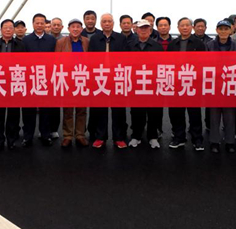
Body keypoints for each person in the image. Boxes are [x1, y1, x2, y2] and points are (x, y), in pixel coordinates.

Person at [88, 13, 129, 149]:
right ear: (100, 24)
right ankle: (100, 137)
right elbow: (90, 59)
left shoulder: (121, 38)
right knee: (100, 109)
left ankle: (119, 138)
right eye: (104, 21)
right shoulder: (94, 39)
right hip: (100, 78)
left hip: (116, 77)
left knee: (118, 110)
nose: (107, 23)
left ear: (113, 23)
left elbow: (125, 58)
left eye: (109, 21)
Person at [167, 17, 207, 151]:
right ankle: (179, 137)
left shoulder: (199, 44)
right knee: (176, 112)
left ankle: (197, 139)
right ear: (178, 28)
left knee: (194, 112)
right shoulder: (173, 44)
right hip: (176, 82)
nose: (185, 28)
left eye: (187, 25)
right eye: (182, 25)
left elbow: (203, 63)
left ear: (192, 27)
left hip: (192, 82)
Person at [0, 19, 26, 151]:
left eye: (11, 27)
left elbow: (26, 63)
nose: (8, 29)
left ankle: (11, 140)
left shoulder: (20, 45)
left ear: (14, 30)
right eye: (5, 27)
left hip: (15, 82)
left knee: (13, 114)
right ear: (1, 30)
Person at [206, 20, 236, 153]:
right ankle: (214, 142)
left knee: (230, 116)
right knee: (214, 116)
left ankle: (230, 142)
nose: (223, 31)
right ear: (216, 30)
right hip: (214, 84)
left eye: (226, 29)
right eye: (220, 29)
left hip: (230, 84)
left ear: (231, 30)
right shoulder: (209, 45)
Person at [23, 13, 58, 146]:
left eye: (42, 23)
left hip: (46, 78)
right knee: (29, 110)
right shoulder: (26, 40)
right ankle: (28, 136)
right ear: (33, 24)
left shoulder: (51, 40)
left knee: (45, 109)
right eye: (37, 23)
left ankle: (45, 135)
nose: (39, 25)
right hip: (30, 79)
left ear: (45, 24)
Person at [128, 20, 164, 149]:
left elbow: (162, 65)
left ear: (150, 30)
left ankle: (153, 137)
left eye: (146, 28)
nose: (143, 30)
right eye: (141, 28)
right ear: (136, 30)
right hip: (136, 84)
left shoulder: (157, 46)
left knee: (154, 111)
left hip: (152, 84)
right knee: (137, 111)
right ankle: (136, 136)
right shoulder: (130, 46)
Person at [55, 19, 89, 147]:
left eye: (78, 27)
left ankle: (80, 135)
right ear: (68, 29)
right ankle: (67, 135)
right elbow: (56, 61)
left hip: (82, 79)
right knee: (68, 109)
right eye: (73, 27)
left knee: (81, 109)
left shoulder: (86, 41)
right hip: (67, 79)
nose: (75, 29)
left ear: (81, 29)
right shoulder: (61, 42)